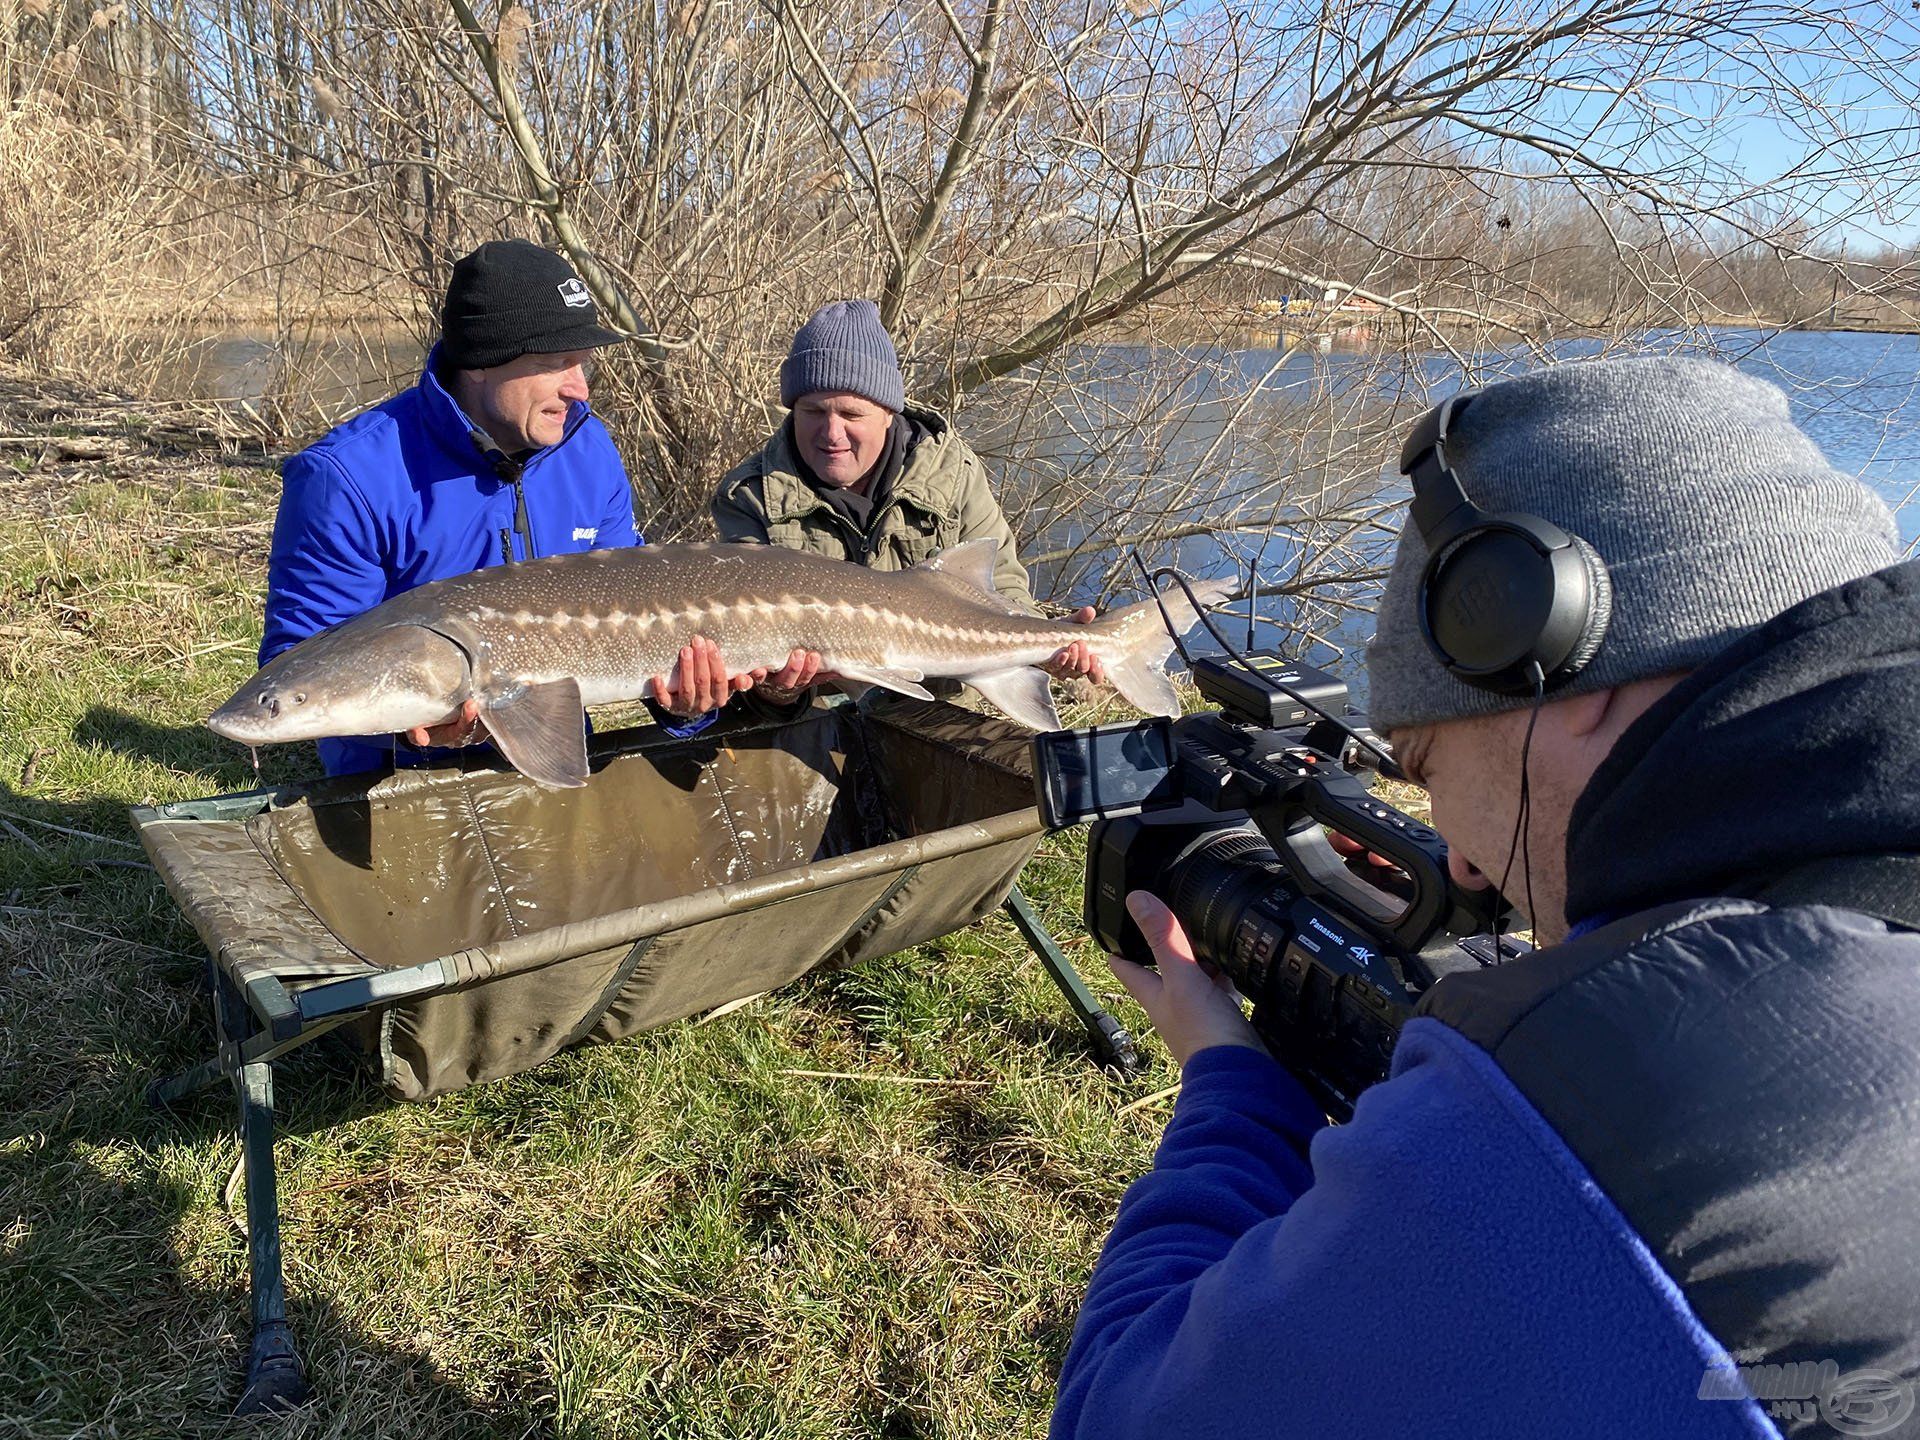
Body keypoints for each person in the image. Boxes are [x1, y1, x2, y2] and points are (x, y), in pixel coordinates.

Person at [1052, 357, 1919, 1439]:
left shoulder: (1616, 1104)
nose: (1460, 868)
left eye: (1421, 767)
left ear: (1543, 652)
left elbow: (1121, 1417)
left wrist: (1231, 1084)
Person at [261, 239, 771, 775]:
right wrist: (419, 738)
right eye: (555, 364)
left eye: (584, 364)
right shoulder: (345, 477)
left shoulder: (587, 449)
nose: (580, 390)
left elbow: (637, 611)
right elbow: (296, 668)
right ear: (480, 362)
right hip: (398, 776)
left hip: (552, 757)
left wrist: (685, 708)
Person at [711, 298, 1100, 704]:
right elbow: (746, 653)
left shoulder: (952, 473)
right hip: (819, 717)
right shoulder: (750, 494)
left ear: (887, 412)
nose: (831, 432)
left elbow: (1003, 592)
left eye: (851, 414)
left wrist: (1051, 648)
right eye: (813, 411)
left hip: (939, 712)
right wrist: (779, 691)